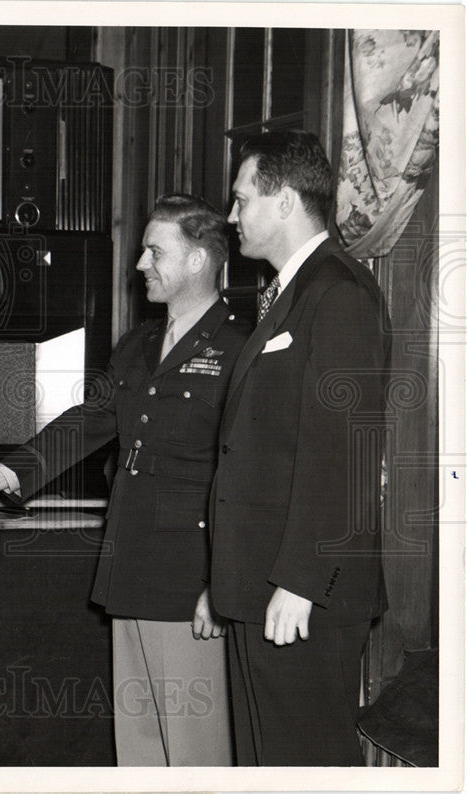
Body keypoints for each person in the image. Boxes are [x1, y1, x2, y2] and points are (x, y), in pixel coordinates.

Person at [0, 194, 248, 766]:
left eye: (153, 251)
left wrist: (223, 584)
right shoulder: (139, 344)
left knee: (195, 755)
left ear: (196, 260)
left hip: (191, 583)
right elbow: (85, 424)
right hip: (130, 567)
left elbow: (247, 478)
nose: (140, 264)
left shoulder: (241, 347)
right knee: (137, 752)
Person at [210, 130, 390, 765]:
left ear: (283, 200)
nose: (230, 218)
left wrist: (303, 582)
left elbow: (345, 454)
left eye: (240, 200)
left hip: (300, 594)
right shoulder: (287, 291)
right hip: (259, 584)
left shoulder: (339, 292)